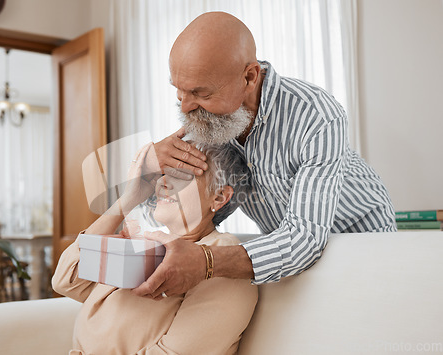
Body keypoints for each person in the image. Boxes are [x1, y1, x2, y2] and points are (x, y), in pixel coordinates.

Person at [132, 12, 396, 299]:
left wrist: (205, 262)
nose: (184, 108)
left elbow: (304, 238)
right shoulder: (208, 121)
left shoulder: (317, 115)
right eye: (179, 91)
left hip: (363, 242)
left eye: (200, 93)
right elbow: (168, 209)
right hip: (290, 258)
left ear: (249, 76)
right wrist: (147, 163)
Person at [52, 142, 258, 354]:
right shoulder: (148, 244)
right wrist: (128, 199)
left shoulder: (221, 256)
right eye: (164, 172)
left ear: (219, 197)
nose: (163, 182)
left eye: (182, 173)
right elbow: (67, 280)